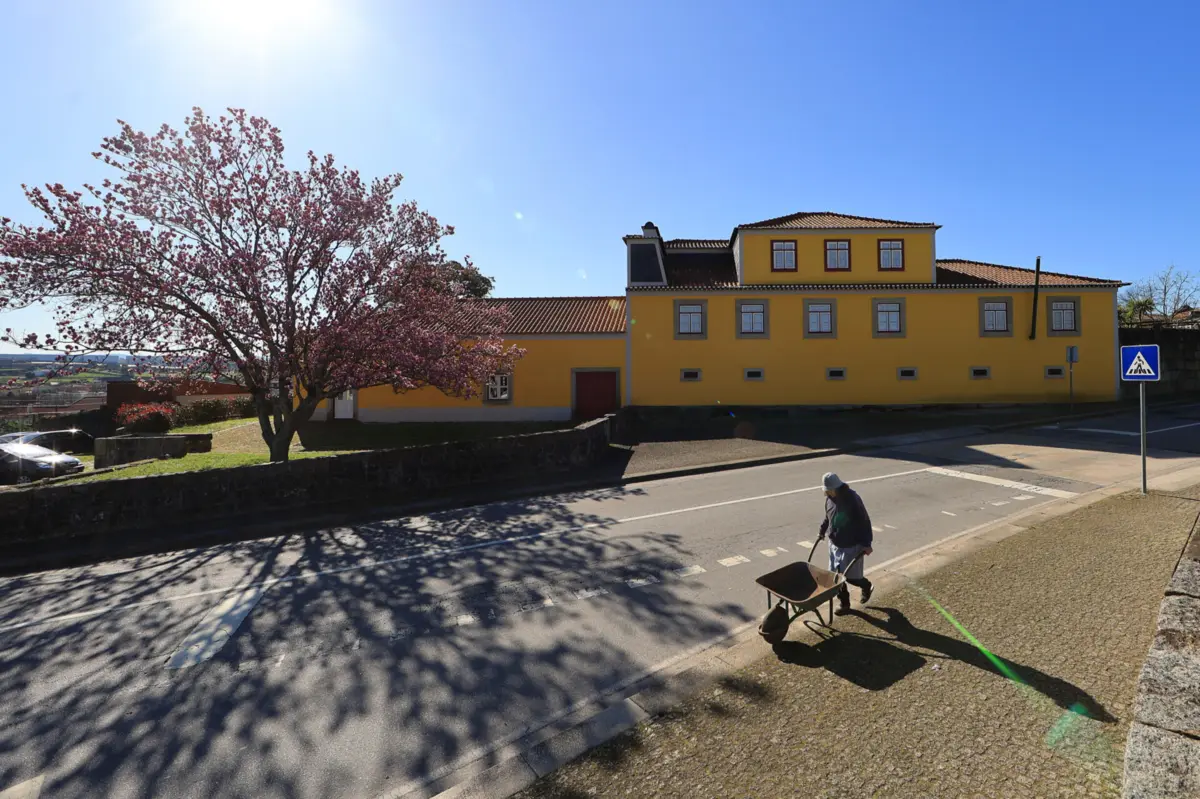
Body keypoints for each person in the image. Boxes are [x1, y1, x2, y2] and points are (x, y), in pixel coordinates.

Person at [818, 472, 873, 614]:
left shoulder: (852, 499)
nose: (826, 493)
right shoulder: (830, 499)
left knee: (851, 578)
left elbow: (864, 521)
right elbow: (828, 517)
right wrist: (822, 531)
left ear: (835, 488)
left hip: (851, 545)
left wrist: (867, 543)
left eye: (827, 490)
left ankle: (866, 585)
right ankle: (844, 604)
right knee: (836, 577)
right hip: (835, 543)